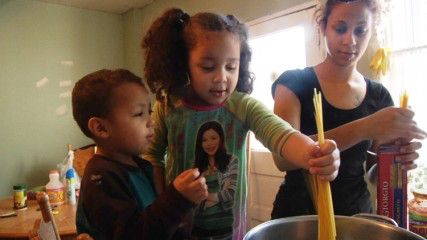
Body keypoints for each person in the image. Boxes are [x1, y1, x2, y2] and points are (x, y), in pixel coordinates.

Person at [142, 8, 340, 240]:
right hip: (176, 229)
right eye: (208, 67)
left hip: (231, 233)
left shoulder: (243, 106)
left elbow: (280, 133)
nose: (221, 77)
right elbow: (152, 157)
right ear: (183, 64)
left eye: (231, 66)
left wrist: (314, 153)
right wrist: (163, 204)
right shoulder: (168, 105)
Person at [270, 0, 427, 219]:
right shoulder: (293, 83)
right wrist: (366, 127)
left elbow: (374, 173)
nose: (350, 40)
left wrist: (395, 164)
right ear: (323, 27)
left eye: (361, 30)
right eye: (340, 28)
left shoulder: (379, 96)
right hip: (299, 217)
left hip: (355, 217)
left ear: (371, 31)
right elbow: (282, 158)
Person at [71, 69, 208, 240]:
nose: (151, 122)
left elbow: (156, 223)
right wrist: (176, 200)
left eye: (149, 112)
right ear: (101, 128)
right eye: (138, 114)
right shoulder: (101, 178)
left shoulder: (140, 166)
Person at [193, 121, 238, 239]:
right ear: (200, 144)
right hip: (199, 229)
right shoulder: (197, 167)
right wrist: (216, 198)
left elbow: (229, 194)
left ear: (221, 138)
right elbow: (194, 202)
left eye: (213, 138)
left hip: (223, 228)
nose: (209, 143)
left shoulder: (231, 161)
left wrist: (204, 197)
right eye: (204, 140)